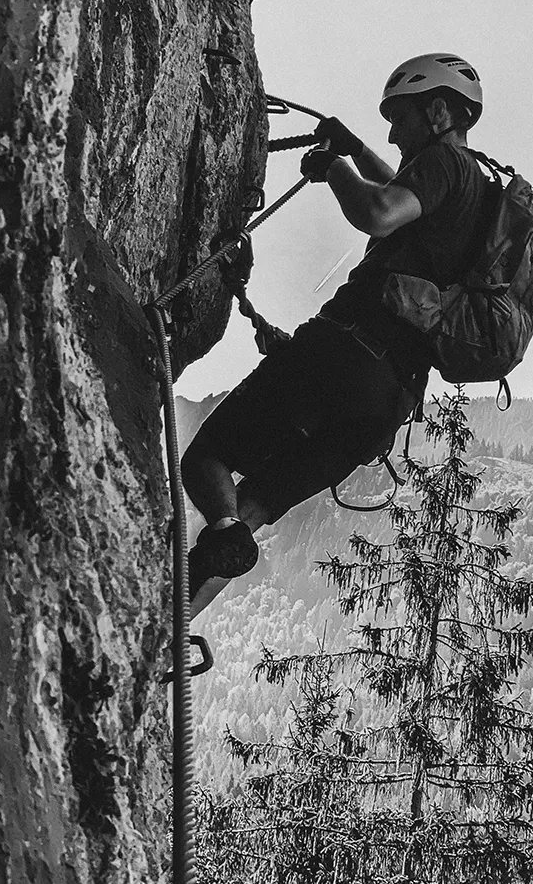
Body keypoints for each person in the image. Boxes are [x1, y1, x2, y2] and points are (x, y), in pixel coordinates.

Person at [180, 52, 493, 612]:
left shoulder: (443, 163)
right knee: (250, 508)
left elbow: (381, 210)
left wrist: (334, 169)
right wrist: (354, 150)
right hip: (384, 406)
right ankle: (170, 629)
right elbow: (404, 187)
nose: (394, 135)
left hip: (344, 352)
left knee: (205, 460)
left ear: (440, 111)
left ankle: (215, 540)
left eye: (401, 118)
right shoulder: (475, 195)